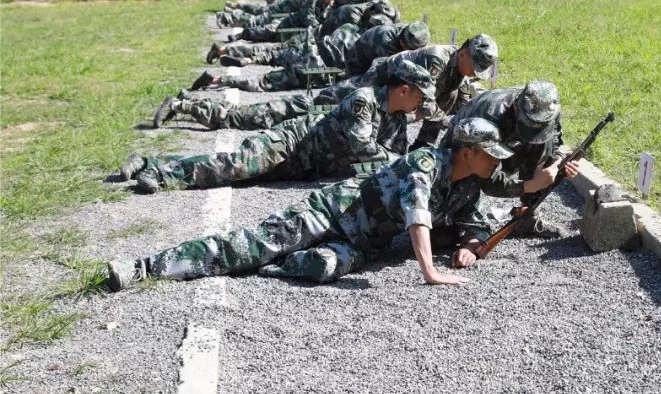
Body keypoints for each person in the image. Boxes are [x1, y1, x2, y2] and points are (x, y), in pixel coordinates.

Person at [105, 117, 514, 288]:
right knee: (252, 244)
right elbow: (417, 213)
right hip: (333, 211)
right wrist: (430, 272)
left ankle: (273, 266)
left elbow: (475, 224)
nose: (495, 161)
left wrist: (470, 246)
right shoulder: (427, 162)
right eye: (489, 154)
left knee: (325, 267)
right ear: (466, 151)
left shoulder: (467, 185)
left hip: (363, 243)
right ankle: (144, 267)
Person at [120, 60, 435, 193]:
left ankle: (152, 164)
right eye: (421, 97)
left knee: (234, 176)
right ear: (403, 90)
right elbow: (362, 147)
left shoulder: (396, 119)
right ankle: (156, 171)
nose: (421, 105)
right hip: (291, 142)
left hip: (307, 165)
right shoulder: (364, 100)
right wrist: (402, 162)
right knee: (236, 166)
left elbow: (390, 160)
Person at [153, 34, 498, 136]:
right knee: (275, 114)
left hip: (373, 113)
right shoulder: (438, 58)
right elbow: (429, 107)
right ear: (463, 52)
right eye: (475, 65)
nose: (475, 73)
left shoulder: (459, 75)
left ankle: (191, 105)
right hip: (353, 98)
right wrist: (444, 119)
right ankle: (186, 106)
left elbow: (448, 110)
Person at [442, 80, 570, 238]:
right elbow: (487, 180)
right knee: (449, 225)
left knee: (545, 148)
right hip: (468, 148)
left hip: (506, 137)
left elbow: (554, 140)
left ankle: (527, 217)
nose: (533, 135)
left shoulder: (549, 110)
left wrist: (557, 164)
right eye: (529, 125)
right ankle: (459, 217)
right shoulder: (490, 115)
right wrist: (529, 185)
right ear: (516, 107)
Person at [187, 21, 432, 94]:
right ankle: (218, 80)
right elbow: (382, 74)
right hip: (322, 66)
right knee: (266, 82)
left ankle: (232, 55)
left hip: (318, 48)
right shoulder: (386, 44)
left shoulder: (391, 30)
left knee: (272, 55)